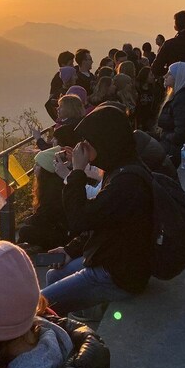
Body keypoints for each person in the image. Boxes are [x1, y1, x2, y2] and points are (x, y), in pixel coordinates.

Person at [40, 105, 154, 315]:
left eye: (87, 142)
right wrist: (69, 251)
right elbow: (98, 220)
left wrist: (77, 172)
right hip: (109, 257)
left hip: (117, 274)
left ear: (104, 141)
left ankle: (75, 329)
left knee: (40, 305)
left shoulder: (127, 183)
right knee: (53, 275)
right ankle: (86, 317)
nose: (81, 147)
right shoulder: (120, 168)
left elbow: (78, 219)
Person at [17, 147, 70, 253]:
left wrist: (30, 219)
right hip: (55, 230)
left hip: (61, 235)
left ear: (45, 169)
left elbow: (46, 216)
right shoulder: (51, 186)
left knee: (24, 230)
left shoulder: (53, 190)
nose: (34, 168)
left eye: (37, 165)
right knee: (27, 229)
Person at [45, 52, 75, 121]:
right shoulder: (57, 79)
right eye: (70, 64)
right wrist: (58, 120)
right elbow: (50, 103)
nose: (73, 66)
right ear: (63, 65)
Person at [135, 66, 164, 132]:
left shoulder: (155, 89)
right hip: (140, 119)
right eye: (151, 75)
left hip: (151, 118)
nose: (153, 77)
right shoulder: (137, 90)